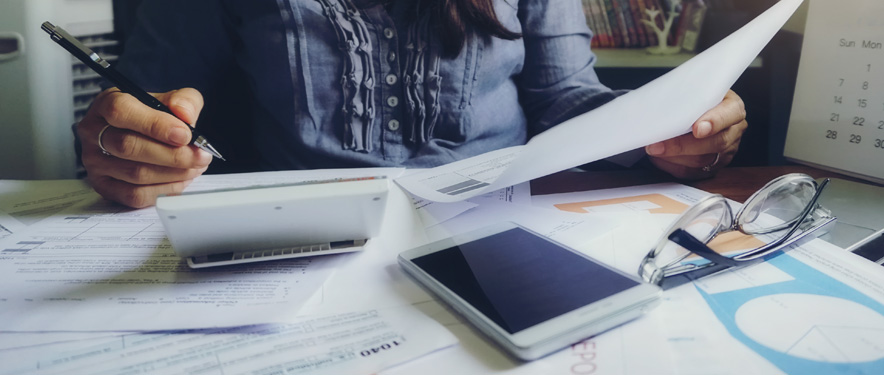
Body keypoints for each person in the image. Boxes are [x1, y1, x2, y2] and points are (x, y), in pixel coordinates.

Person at [77, 0, 748, 208]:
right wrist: (124, 144)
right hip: (304, 238)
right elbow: (142, 104)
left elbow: (566, 98)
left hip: (502, 219)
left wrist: (671, 128)